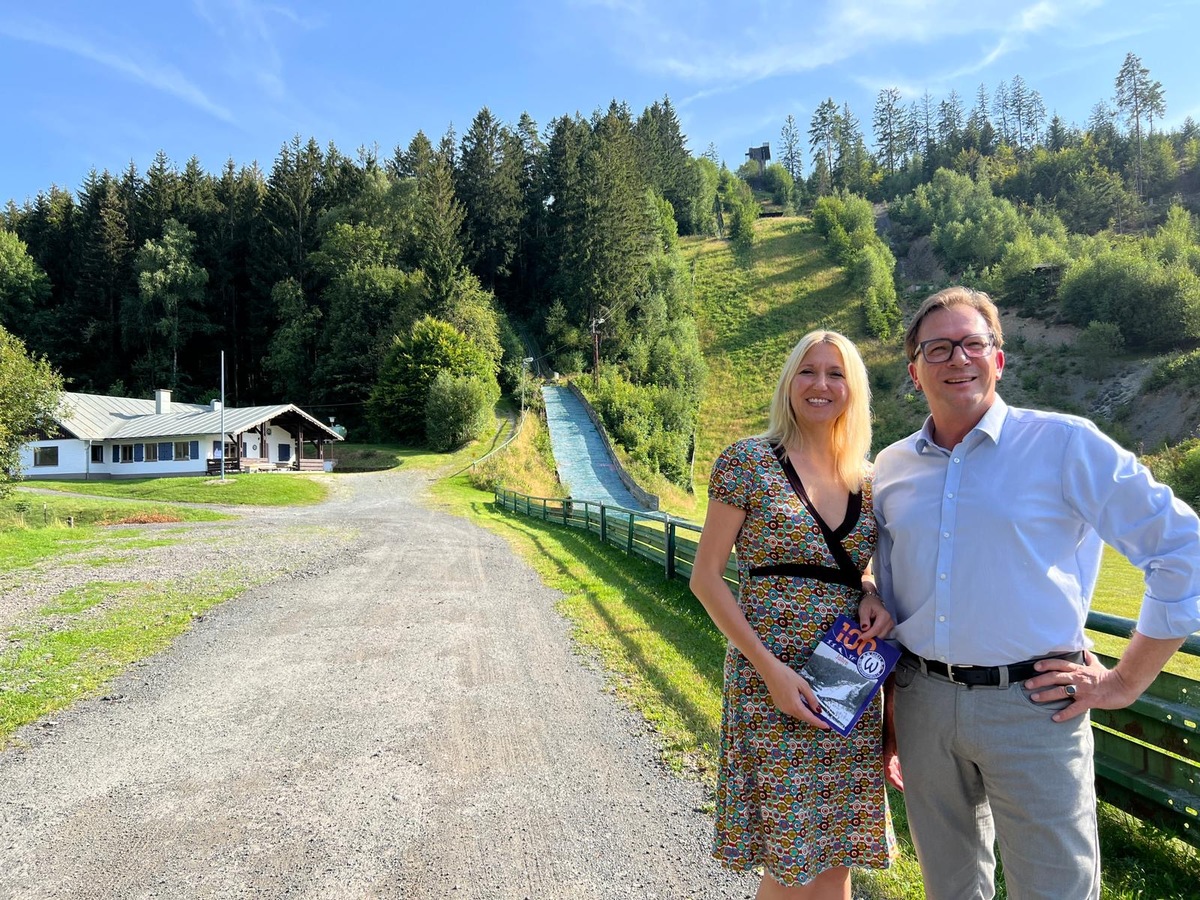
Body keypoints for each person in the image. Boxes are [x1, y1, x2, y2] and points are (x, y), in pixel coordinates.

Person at [872, 286, 1200, 900]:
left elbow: (1182, 546)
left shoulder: (1064, 445)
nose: (956, 359)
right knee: (950, 888)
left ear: (999, 359)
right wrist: (891, 710)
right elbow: (891, 581)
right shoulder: (890, 468)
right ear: (914, 371)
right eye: (936, 348)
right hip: (921, 703)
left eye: (973, 343)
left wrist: (1124, 682)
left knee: (1055, 890)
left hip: (1033, 705)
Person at [690, 330, 896, 899]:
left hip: (848, 683)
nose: (821, 384)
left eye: (836, 373)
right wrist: (769, 670)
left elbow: (863, 571)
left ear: (853, 389)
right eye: (808, 371)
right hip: (771, 680)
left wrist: (872, 593)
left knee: (836, 857)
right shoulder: (747, 462)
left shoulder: (871, 479)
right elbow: (706, 579)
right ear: (789, 382)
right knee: (787, 861)